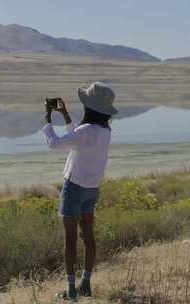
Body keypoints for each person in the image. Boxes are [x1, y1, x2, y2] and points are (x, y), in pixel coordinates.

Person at [42, 82, 117, 301]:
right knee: (88, 236)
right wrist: (65, 114)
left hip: (74, 188)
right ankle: (86, 284)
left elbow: (54, 144)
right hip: (91, 189)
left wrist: (47, 118)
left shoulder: (86, 132)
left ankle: (71, 290)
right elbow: (78, 137)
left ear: (89, 107)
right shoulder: (104, 132)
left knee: (70, 240)